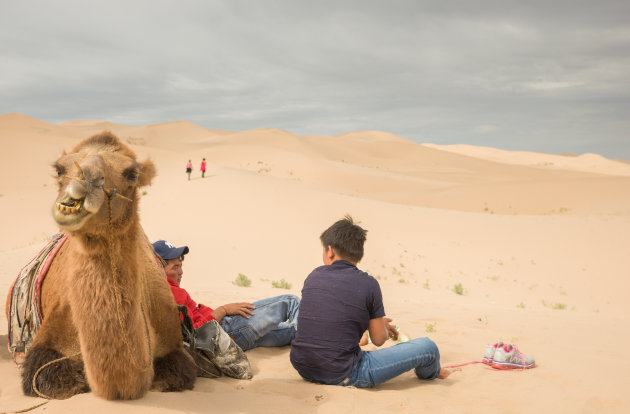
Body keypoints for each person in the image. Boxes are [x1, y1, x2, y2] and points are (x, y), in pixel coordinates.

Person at [290, 215, 456, 388]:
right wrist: (379, 325)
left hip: (303, 367)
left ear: (330, 250)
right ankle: (432, 374)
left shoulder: (314, 276)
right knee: (428, 347)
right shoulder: (368, 284)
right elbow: (378, 339)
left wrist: (372, 321)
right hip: (345, 374)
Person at [152, 240, 300, 352]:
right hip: (227, 330)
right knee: (291, 302)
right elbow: (194, 334)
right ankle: (311, 348)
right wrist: (223, 310)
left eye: (181, 265)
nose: (181, 272)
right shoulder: (171, 294)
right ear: (158, 267)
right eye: (175, 267)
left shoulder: (157, 294)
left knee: (291, 331)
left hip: (230, 339)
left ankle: (311, 337)